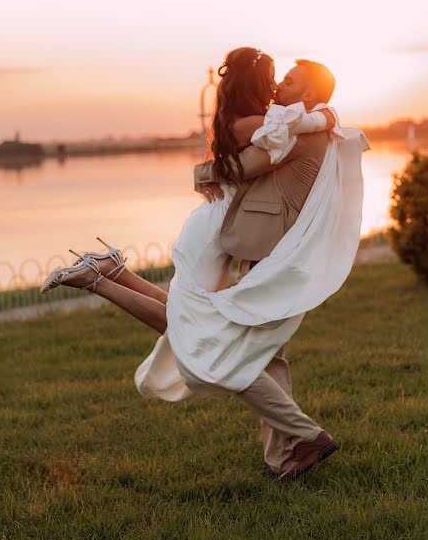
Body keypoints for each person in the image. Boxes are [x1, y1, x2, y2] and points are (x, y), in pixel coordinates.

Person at [40, 47, 368, 479]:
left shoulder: (299, 129)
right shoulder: (294, 124)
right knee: (240, 349)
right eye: (277, 79)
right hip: (254, 251)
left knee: (237, 349)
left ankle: (297, 445)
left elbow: (241, 166)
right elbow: (242, 164)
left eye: (288, 81)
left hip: (262, 253)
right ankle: (290, 451)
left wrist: (207, 174)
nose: (278, 87)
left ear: (308, 90)